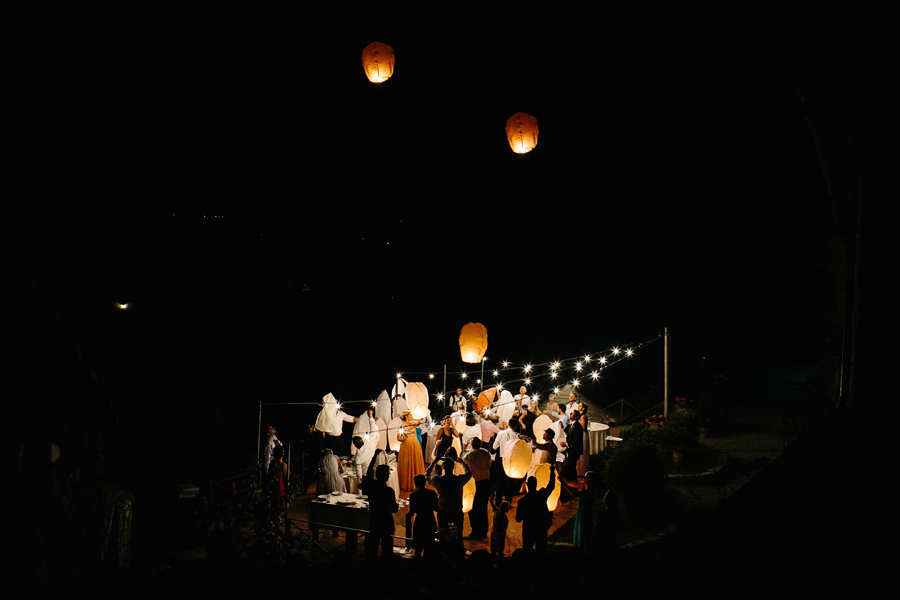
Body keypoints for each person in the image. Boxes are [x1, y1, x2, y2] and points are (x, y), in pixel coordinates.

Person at [426, 456, 472, 537]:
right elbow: (469, 473)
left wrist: (434, 462)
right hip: (457, 511)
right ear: (453, 467)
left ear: (443, 467)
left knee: (443, 534)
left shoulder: (438, 480)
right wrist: (462, 463)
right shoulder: (458, 480)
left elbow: (427, 475)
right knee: (458, 534)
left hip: (443, 510)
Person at [362, 464, 398, 561]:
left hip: (374, 519)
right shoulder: (389, 491)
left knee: (372, 546)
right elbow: (395, 509)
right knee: (387, 546)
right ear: (385, 476)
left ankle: (371, 566)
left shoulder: (371, 489)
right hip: (386, 520)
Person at [515, 469, 556, 554]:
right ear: (536, 484)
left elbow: (518, 519)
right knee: (541, 551)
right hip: (541, 528)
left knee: (527, 551)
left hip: (528, 530)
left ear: (527, 485)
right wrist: (552, 472)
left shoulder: (522, 501)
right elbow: (551, 486)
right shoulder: (542, 495)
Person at [560, 470, 600, 554]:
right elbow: (569, 483)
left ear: (590, 480)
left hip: (585, 515)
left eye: (585, 477)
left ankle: (584, 552)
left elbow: (574, 494)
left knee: (584, 534)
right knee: (579, 532)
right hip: (580, 513)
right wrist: (561, 476)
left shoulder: (589, 491)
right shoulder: (583, 486)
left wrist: (562, 483)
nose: (584, 479)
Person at [462, 437, 492, 540]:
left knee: (473, 509)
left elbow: (465, 469)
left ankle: (475, 531)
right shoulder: (486, 453)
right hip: (486, 483)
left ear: (471, 445)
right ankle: (484, 531)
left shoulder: (469, 456)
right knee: (483, 508)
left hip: (476, 484)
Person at [408, 473, 438, 558]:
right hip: (430, 520)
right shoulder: (432, 493)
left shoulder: (413, 496)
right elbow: (436, 508)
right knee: (429, 547)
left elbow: (412, 512)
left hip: (420, 522)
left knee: (418, 547)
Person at [397, 411, 426, 492]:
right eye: (410, 415)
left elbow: (419, 422)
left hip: (415, 445)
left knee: (415, 461)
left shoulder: (413, 423)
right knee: (407, 463)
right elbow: (398, 438)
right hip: (406, 446)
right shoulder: (401, 426)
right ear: (406, 416)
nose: (411, 416)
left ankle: (417, 483)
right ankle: (407, 483)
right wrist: (405, 439)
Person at [563, 410, 583, 482]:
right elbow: (569, 433)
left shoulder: (577, 426)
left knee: (571, 467)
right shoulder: (573, 424)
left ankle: (573, 482)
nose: (570, 414)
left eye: (572, 414)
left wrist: (567, 444)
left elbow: (577, 440)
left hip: (575, 451)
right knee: (571, 467)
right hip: (572, 450)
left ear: (576, 417)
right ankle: (572, 481)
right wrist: (563, 428)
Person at [489, 492, 510, 557]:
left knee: (493, 551)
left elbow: (491, 502)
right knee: (500, 552)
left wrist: (492, 493)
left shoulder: (496, 511)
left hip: (494, 535)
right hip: (500, 538)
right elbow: (504, 528)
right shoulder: (505, 518)